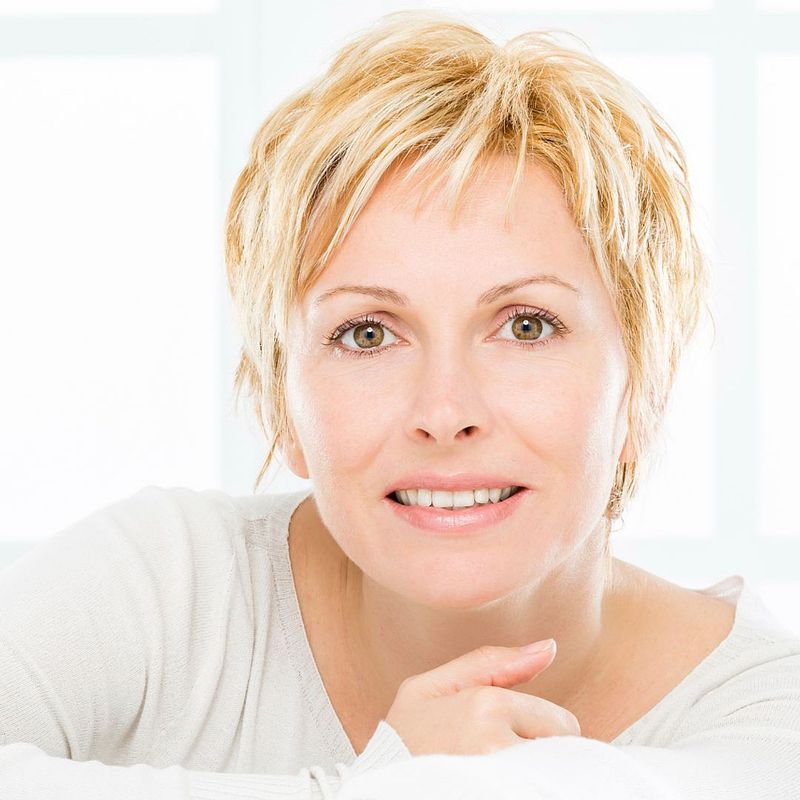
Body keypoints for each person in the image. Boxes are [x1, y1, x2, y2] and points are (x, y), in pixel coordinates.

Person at [1, 9, 798, 800]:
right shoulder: (168, 588)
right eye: (367, 334)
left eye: (526, 326)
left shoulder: (764, 720)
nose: (444, 410)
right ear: (282, 402)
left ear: (645, 389)